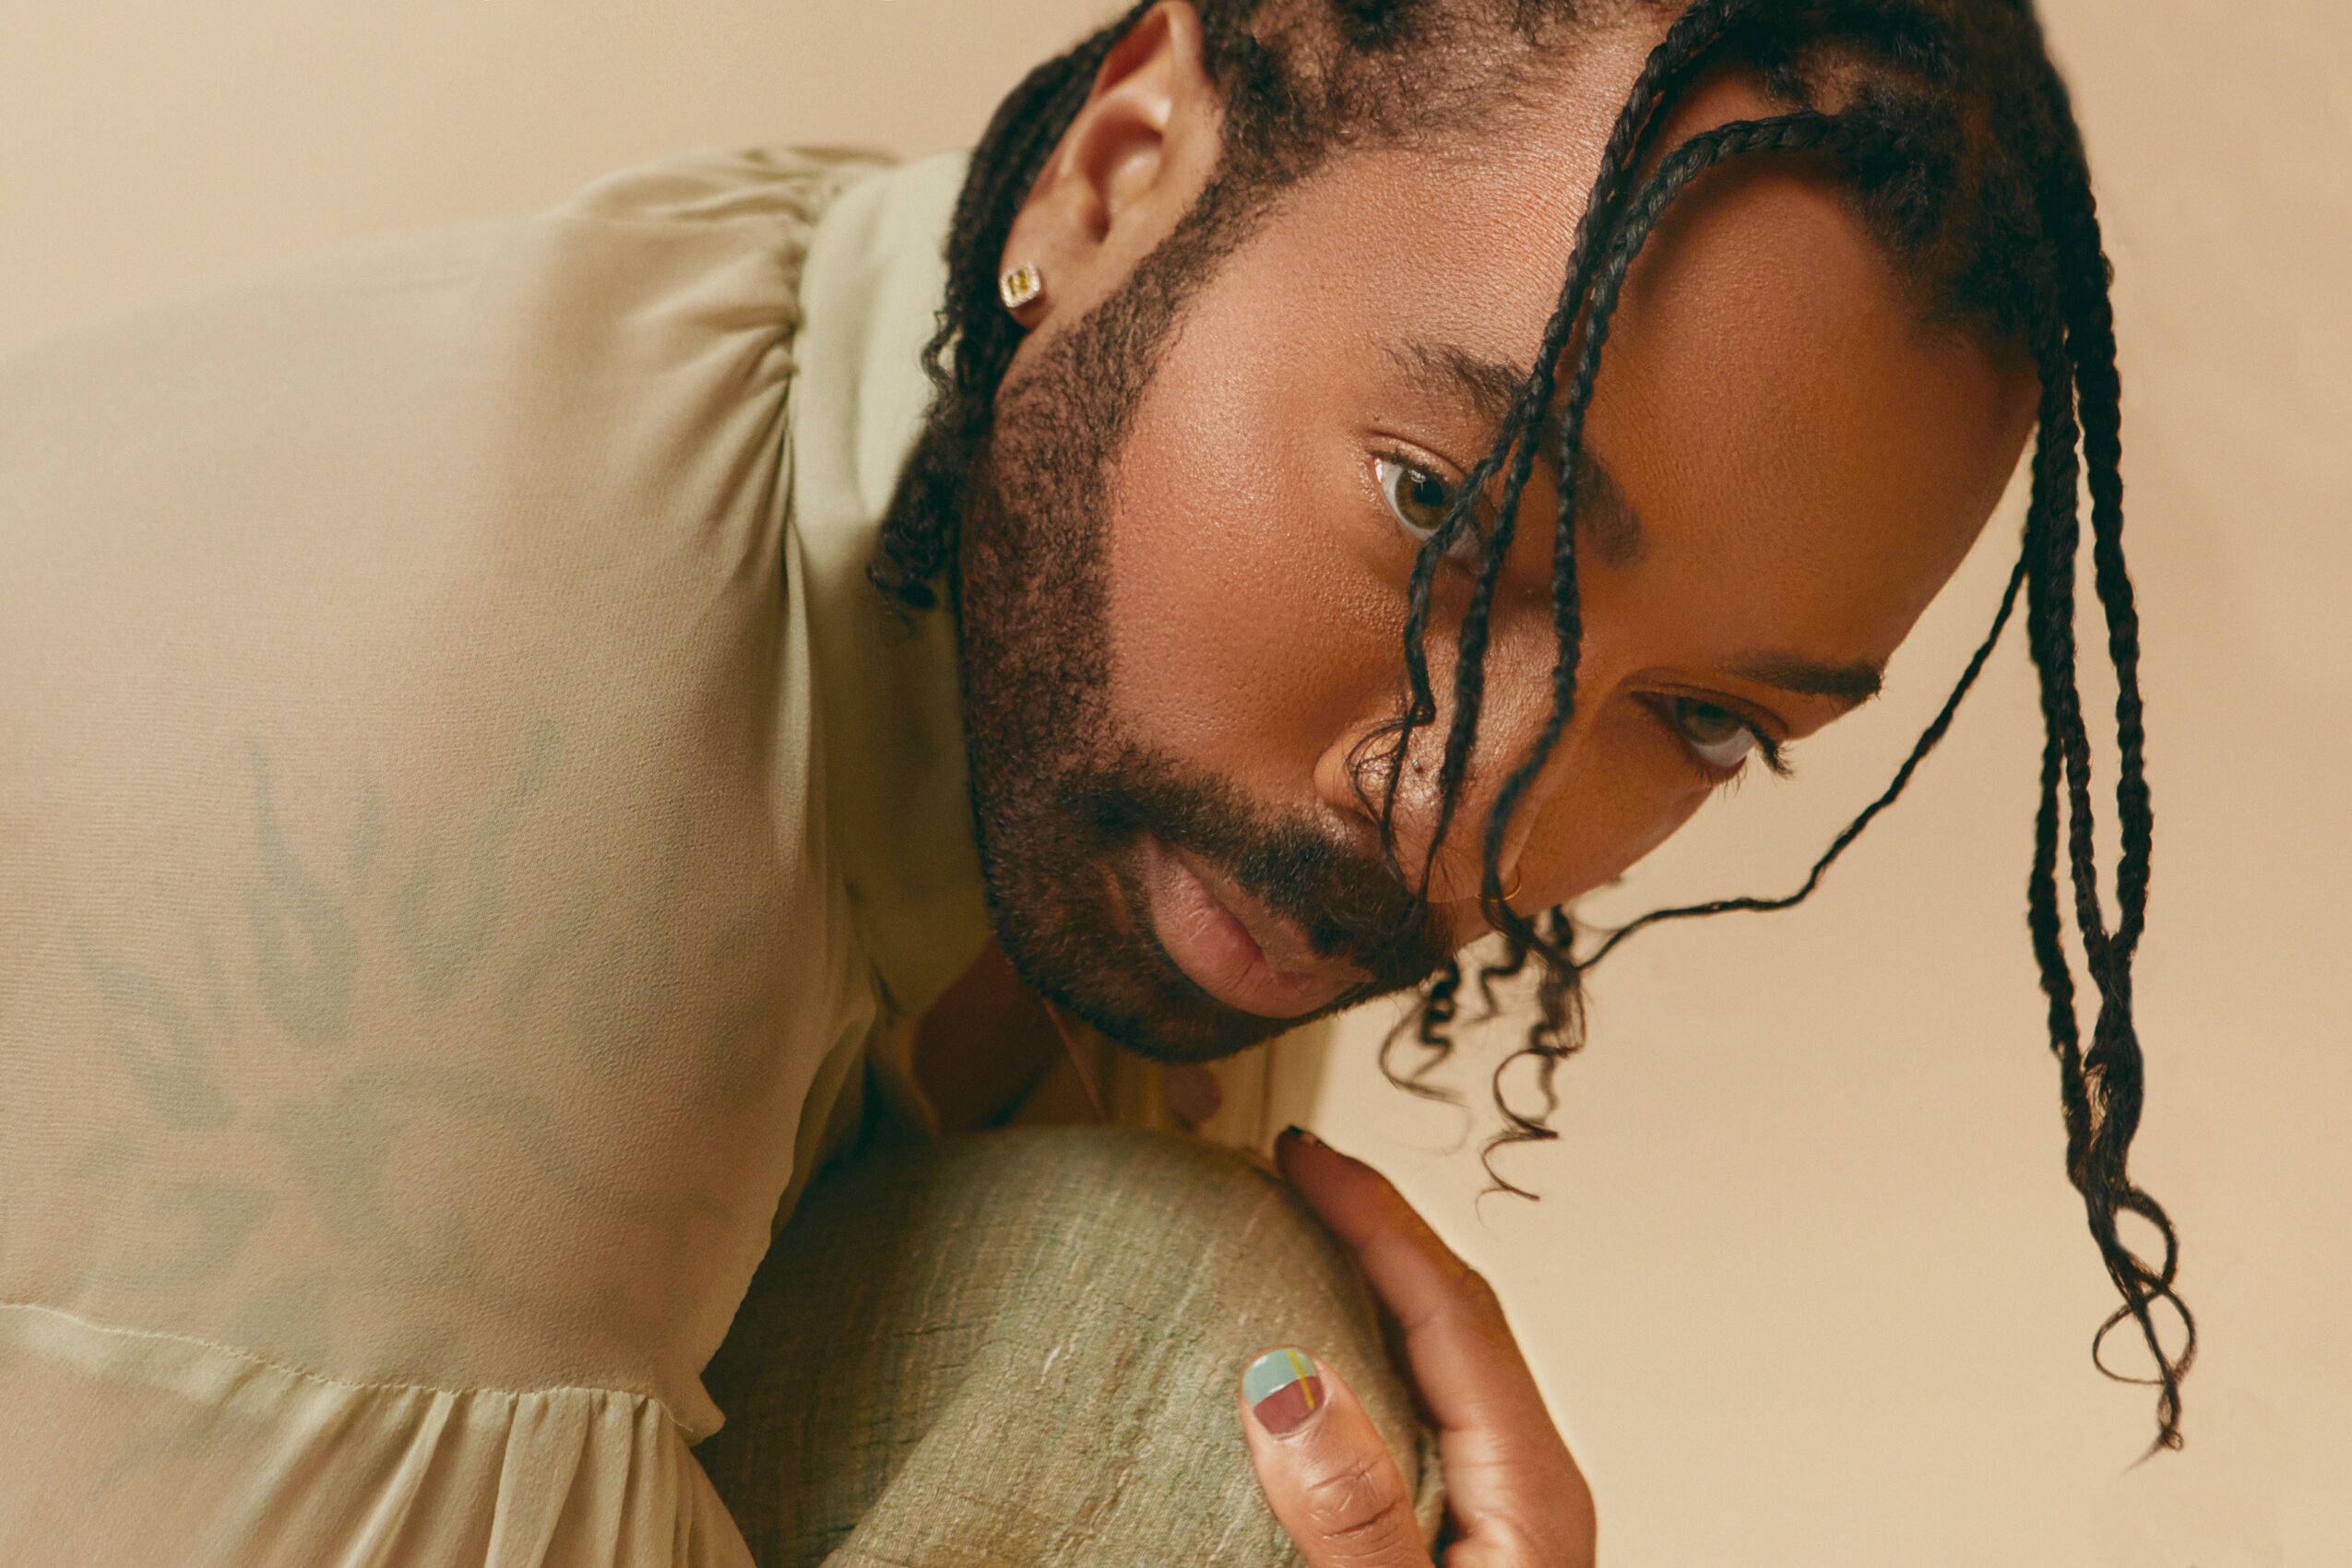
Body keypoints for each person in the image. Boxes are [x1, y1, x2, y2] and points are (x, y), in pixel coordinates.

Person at [0, 0, 2190, 1562]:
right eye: (1438, 507)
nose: (1470, 815)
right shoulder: (476, 757)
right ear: (1125, 169)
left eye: (1705, 720)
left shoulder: (1058, 576)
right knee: (1186, 1390)